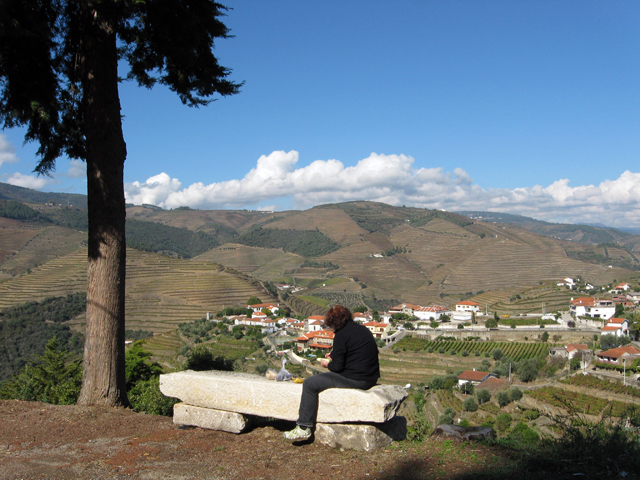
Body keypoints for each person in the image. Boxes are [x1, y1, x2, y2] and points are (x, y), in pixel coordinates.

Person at [284, 305, 380, 441]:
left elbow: (336, 367)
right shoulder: (362, 329)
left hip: (356, 379)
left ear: (334, 323)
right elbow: (353, 353)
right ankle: (304, 426)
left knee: (310, 383)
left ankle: (304, 426)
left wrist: (327, 364)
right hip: (370, 377)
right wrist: (334, 355)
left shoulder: (341, 335)